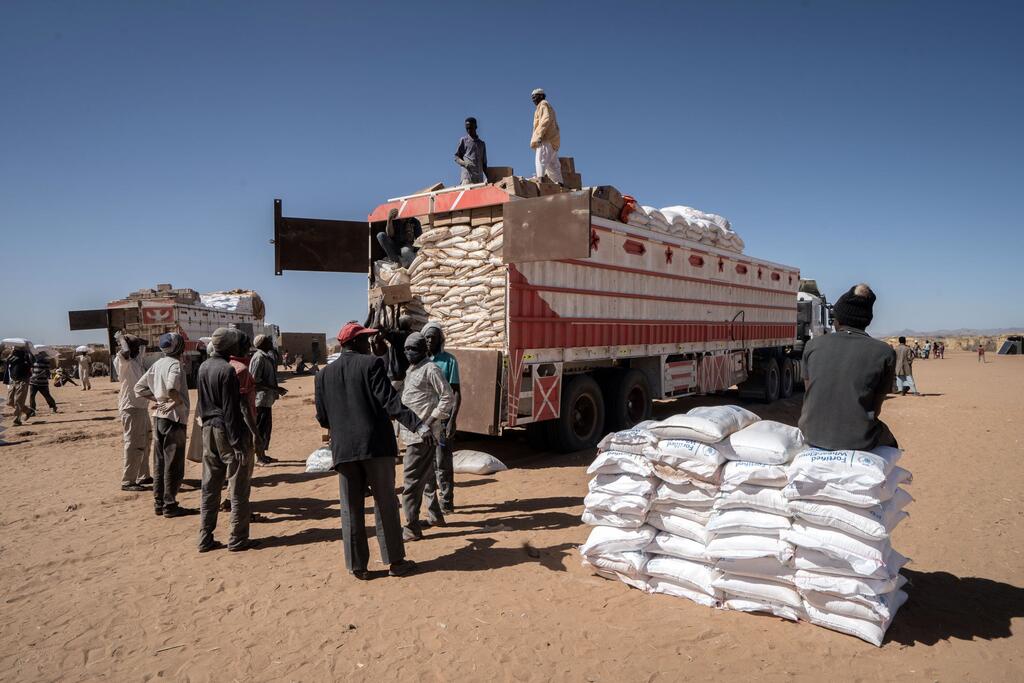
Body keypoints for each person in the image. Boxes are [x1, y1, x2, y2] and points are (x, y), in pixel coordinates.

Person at [314, 321, 432, 579]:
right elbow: (391, 402)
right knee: (385, 503)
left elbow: (322, 418)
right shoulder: (371, 364)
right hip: (376, 447)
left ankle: (358, 566)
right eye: (365, 340)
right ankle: (395, 562)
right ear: (355, 342)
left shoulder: (323, 375)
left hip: (344, 450)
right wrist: (419, 426)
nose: (369, 344)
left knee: (351, 508)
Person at [799, 284, 897, 451]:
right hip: (859, 439)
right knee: (892, 445)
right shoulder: (885, 352)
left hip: (810, 434)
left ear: (838, 319)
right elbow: (875, 409)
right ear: (868, 320)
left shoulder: (812, 345)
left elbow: (810, 394)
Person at [196, 327, 259, 552]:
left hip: (208, 430)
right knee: (238, 488)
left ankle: (205, 538)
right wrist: (237, 443)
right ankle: (238, 539)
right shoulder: (227, 370)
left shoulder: (203, 367)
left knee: (210, 486)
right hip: (228, 431)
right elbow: (231, 410)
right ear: (230, 346)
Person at [398, 333, 454, 541]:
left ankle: (411, 528)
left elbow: (447, 397)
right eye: (406, 349)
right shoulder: (412, 369)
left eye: (413, 348)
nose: (408, 352)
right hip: (412, 434)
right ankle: (435, 515)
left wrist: (428, 422)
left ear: (423, 350)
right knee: (428, 477)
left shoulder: (431, 369)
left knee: (411, 481)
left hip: (422, 436)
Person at [135, 332, 194, 518]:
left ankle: (159, 503)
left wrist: (158, 400)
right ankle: (170, 505)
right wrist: (175, 401)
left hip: (159, 417)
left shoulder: (158, 364)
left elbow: (139, 388)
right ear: (179, 347)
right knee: (173, 464)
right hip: (174, 418)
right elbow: (171, 388)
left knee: (159, 462)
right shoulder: (175, 365)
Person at [421, 322, 461, 517]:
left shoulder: (449, 361)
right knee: (427, 465)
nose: (430, 340)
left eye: (433, 337)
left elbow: (456, 392)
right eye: (427, 337)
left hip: (443, 420)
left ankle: (446, 502)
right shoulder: (420, 361)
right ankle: (432, 506)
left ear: (440, 339)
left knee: (443, 463)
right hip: (424, 421)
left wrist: (452, 420)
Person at [114, 333, 153, 491]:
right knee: (133, 443)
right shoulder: (122, 360)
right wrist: (122, 339)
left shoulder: (136, 360)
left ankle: (143, 475)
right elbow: (125, 351)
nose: (138, 349)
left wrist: (134, 339)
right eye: (135, 347)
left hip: (141, 407)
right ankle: (128, 481)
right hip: (131, 408)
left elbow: (145, 343)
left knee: (145, 441)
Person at [250, 334, 285, 465]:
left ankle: (262, 455)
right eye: (268, 341)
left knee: (265, 428)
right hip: (260, 400)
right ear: (263, 344)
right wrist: (275, 388)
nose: (271, 343)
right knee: (260, 428)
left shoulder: (265, 357)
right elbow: (255, 381)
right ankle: (258, 457)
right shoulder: (259, 358)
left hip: (266, 400)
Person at [530, 88, 562, 184]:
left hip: (546, 138)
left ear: (541, 96)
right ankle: (560, 184)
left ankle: (541, 182)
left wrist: (539, 135)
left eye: (534, 97)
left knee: (540, 160)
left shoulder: (543, 104)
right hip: (553, 140)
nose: (533, 99)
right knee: (553, 165)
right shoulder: (547, 106)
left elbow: (545, 119)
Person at [454, 117, 488, 185]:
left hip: (479, 180)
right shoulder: (463, 140)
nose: (468, 130)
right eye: (467, 128)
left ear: (476, 126)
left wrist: (488, 177)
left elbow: (484, 164)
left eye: (470, 127)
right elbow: (456, 157)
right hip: (467, 178)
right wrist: (465, 163)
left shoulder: (482, 144)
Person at [5, 345, 31, 425]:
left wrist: (27, 353)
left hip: (23, 380)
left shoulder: (25, 356)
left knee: (19, 401)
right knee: (10, 401)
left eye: (14, 348)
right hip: (13, 381)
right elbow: (7, 361)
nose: (13, 349)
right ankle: (28, 411)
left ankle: (17, 419)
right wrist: (11, 353)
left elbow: (31, 363)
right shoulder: (12, 357)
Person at [28, 350, 58, 416]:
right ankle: (32, 410)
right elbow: (32, 369)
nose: (37, 355)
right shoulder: (33, 361)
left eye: (39, 354)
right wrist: (31, 374)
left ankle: (53, 406)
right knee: (32, 396)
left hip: (43, 382)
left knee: (47, 396)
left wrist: (36, 376)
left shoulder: (46, 361)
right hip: (33, 382)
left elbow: (45, 371)